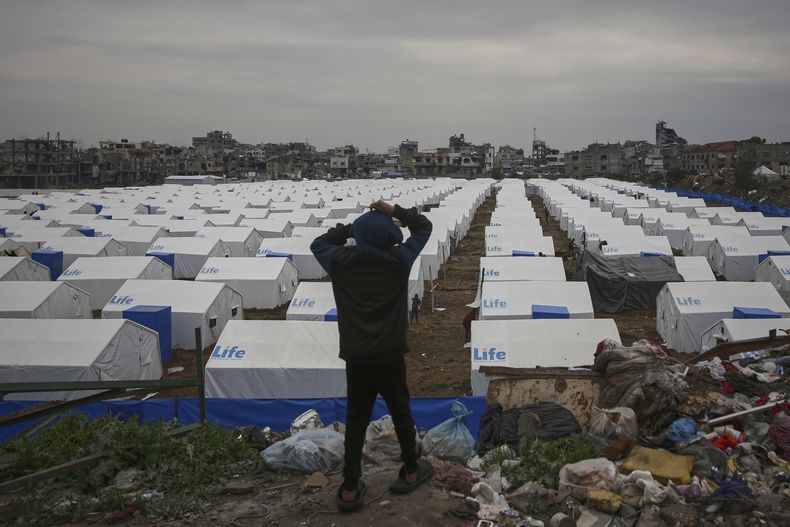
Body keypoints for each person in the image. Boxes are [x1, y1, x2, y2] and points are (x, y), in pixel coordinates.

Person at [311, 200, 434, 513]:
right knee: (401, 413)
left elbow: (318, 243)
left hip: (356, 357)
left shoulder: (341, 260)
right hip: (390, 355)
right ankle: (410, 469)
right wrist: (394, 210)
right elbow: (424, 227)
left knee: (356, 421)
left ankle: (350, 487)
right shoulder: (398, 258)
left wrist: (352, 228)